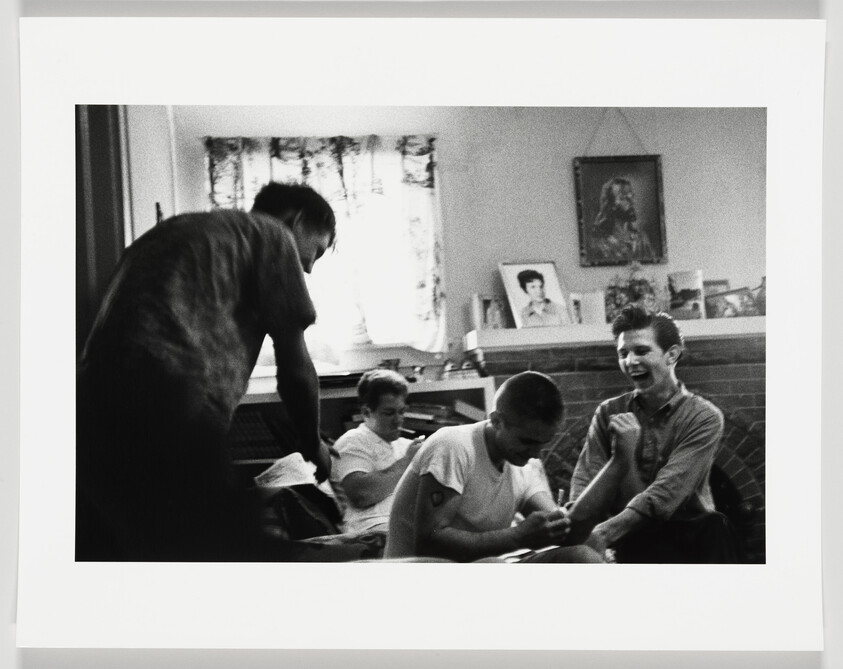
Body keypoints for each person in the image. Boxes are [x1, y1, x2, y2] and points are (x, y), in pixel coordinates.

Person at [76, 182, 336, 561]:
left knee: (138, 551)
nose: (310, 268)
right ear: (295, 221)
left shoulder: (174, 232)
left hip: (88, 406)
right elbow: (295, 370)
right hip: (166, 399)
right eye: (317, 250)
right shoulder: (272, 234)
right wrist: (313, 444)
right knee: (221, 552)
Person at [564, 305, 740, 563]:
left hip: (687, 538)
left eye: (642, 351)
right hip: (627, 539)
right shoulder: (607, 412)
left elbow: (665, 494)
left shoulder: (704, 417)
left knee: (716, 524)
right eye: (623, 353)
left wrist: (603, 533)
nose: (630, 362)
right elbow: (584, 483)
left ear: (672, 355)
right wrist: (578, 524)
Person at [384, 371, 601, 563]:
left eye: (543, 443)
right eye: (527, 442)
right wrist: (518, 536)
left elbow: (561, 528)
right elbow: (430, 542)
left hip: (476, 569)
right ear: (497, 421)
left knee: (586, 551)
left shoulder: (525, 464)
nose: (535, 454)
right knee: (493, 566)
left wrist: (616, 465)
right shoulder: (453, 445)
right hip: (417, 573)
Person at [330, 369, 425, 536]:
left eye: (401, 411)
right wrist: (408, 460)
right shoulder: (353, 441)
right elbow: (362, 495)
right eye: (389, 413)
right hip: (373, 530)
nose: (398, 420)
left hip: (405, 525)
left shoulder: (404, 445)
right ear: (366, 412)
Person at [589, 177, 656, 263]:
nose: (632, 202)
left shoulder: (641, 239)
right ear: (611, 205)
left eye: (632, 196)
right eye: (624, 198)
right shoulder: (601, 245)